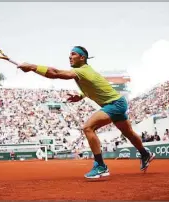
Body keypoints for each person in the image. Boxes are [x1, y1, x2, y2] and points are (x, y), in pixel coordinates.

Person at [17, 46, 155, 179]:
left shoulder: (82, 70)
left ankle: (100, 165)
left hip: (114, 104)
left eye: (73, 54)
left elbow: (56, 73)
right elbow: (94, 85)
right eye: (70, 54)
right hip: (118, 102)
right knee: (128, 133)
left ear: (82, 58)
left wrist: (32, 67)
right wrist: (81, 96)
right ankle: (144, 154)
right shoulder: (85, 71)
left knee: (88, 127)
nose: (69, 57)